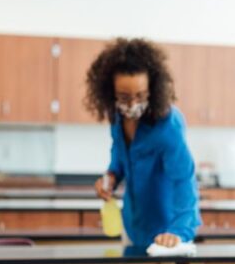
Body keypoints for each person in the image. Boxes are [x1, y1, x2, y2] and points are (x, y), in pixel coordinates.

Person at [85, 38, 201, 249]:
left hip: (166, 236)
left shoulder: (168, 126)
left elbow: (184, 181)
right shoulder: (117, 118)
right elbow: (119, 159)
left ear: (153, 89)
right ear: (110, 93)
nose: (132, 104)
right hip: (132, 227)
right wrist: (110, 178)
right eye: (123, 96)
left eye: (140, 95)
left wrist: (179, 232)